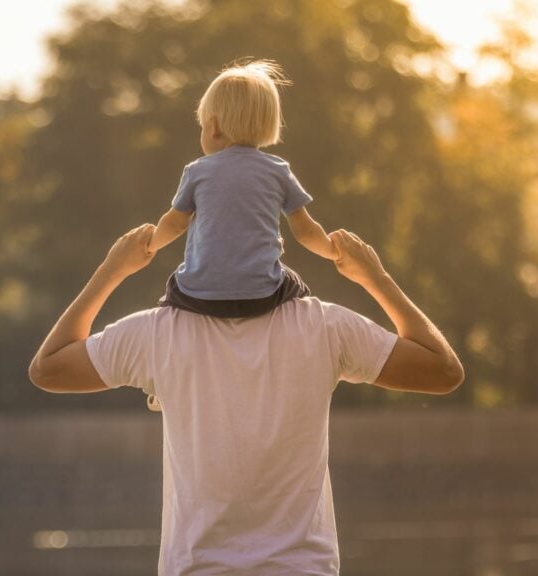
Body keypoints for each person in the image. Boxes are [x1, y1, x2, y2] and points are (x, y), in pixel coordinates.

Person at [28, 224, 464, 575]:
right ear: (275, 251)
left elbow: (48, 368)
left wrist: (112, 270)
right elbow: (442, 371)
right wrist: (375, 277)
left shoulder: (157, 333)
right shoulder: (324, 327)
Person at [147, 59, 336, 320]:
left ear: (212, 127)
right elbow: (305, 231)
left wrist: (149, 244)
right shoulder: (278, 170)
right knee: (296, 285)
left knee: (174, 285)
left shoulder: (197, 171)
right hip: (262, 296)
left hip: (199, 296)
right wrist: (333, 250)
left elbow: (176, 224)